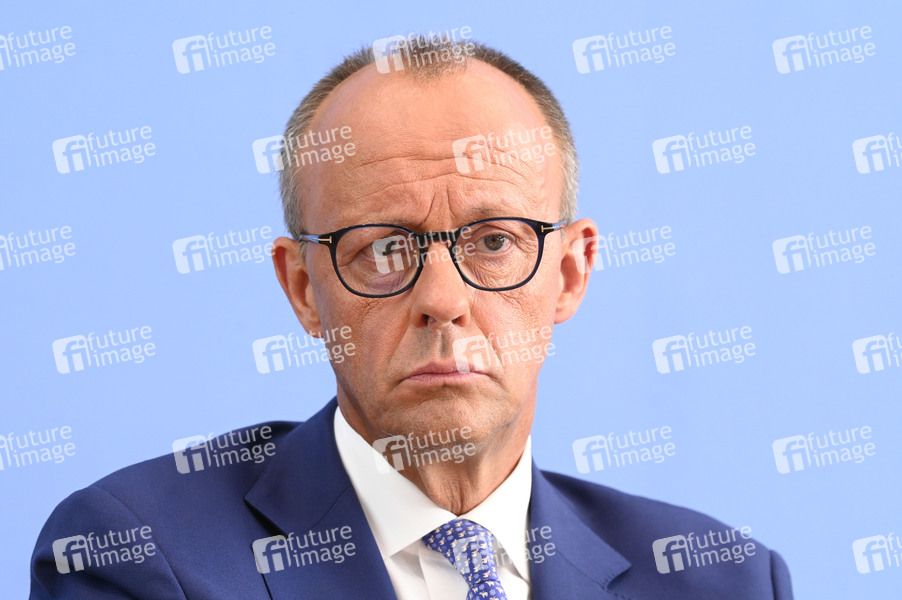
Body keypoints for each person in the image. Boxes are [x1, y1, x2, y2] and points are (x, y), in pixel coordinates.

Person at [30, 37, 793, 599]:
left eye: (494, 242)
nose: (443, 299)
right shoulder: (137, 554)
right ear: (303, 289)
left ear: (569, 274)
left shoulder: (725, 580)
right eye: (383, 248)